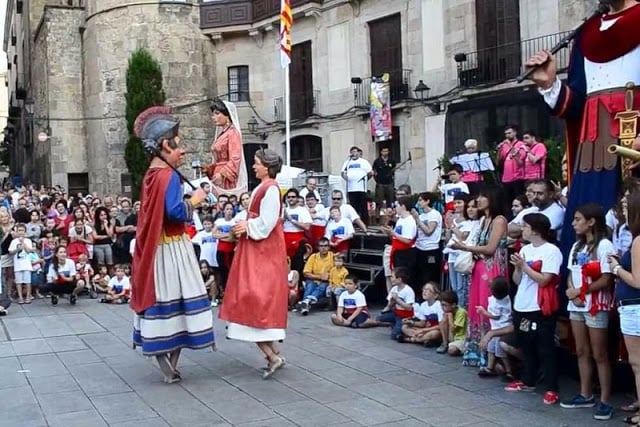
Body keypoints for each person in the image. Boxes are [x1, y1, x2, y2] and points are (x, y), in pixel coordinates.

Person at [525, 0, 640, 254]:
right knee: (587, 225)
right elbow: (575, 103)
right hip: (592, 146)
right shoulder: (587, 33)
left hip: (634, 141)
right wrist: (550, 85)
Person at [130, 106, 215, 384]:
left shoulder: (153, 174)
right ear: (165, 145)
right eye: (179, 145)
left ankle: (169, 362)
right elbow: (176, 212)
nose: (184, 151)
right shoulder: (166, 176)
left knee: (169, 301)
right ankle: (169, 359)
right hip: (172, 248)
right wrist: (197, 199)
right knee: (178, 300)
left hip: (158, 248)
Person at [220, 148, 289, 379]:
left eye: (257, 163)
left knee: (252, 297)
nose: (253, 166)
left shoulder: (270, 189)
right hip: (255, 249)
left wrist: (246, 227)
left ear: (267, 167)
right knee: (252, 297)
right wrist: (242, 225)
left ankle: (273, 356)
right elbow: (256, 217)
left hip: (262, 251)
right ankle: (273, 351)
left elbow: (267, 222)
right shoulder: (264, 188)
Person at [561, 204, 615, 420]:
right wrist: (570, 290)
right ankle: (585, 393)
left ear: (591, 221)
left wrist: (582, 290)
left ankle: (606, 399)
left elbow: (607, 278)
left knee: (599, 353)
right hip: (577, 305)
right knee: (581, 350)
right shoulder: (576, 247)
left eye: (578, 219)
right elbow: (570, 272)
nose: (574, 223)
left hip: (595, 305)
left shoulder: (604, 246)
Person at [506, 213, 562, 406]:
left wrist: (525, 267)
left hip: (540, 305)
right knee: (526, 344)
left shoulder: (551, 251)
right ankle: (527, 379)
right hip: (522, 302)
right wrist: (518, 268)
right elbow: (517, 281)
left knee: (545, 347)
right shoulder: (525, 249)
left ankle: (552, 387)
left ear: (536, 230)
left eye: (525, 226)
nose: (522, 230)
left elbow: (546, 279)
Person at [607, 190, 640, 425]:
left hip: (634, 306)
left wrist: (616, 267)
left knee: (638, 363)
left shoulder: (638, 241)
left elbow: (637, 281)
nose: (624, 212)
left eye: (628, 208)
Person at [205, 99, 248, 197]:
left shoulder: (233, 133)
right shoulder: (223, 134)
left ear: (227, 115)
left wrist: (222, 174)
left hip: (225, 176)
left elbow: (235, 158)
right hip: (217, 174)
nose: (213, 117)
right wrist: (210, 169)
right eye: (213, 114)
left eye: (217, 113)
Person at [477, 277, 514, 379]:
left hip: (500, 329)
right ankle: (489, 368)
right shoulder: (506, 298)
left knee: (500, 352)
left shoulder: (498, 303)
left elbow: (496, 316)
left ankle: (508, 371)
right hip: (496, 329)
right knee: (491, 349)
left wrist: (484, 312)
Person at [341, 146, 372, 224]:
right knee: (353, 206)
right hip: (351, 188)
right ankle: (355, 223)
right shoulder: (347, 162)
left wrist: (365, 179)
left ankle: (365, 223)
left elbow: (370, 173)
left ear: (358, 153)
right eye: (352, 152)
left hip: (361, 187)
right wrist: (346, 178)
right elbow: (342, 172)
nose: (354, 153)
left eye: (355, 151)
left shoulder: (363, 162)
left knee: (363, 206)